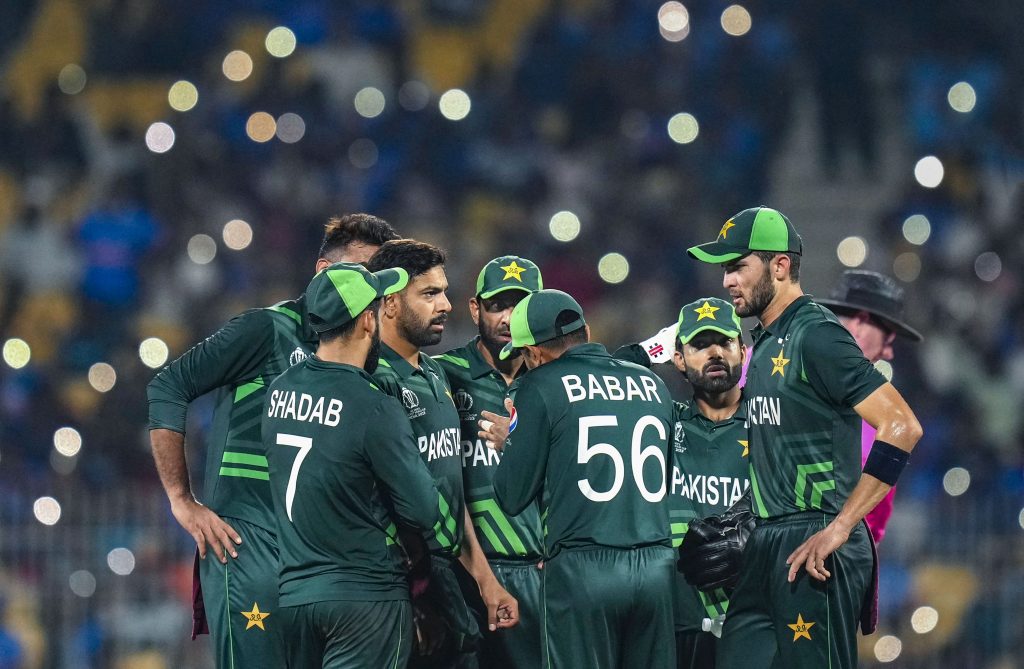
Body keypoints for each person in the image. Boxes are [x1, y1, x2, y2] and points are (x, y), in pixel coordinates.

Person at [146, 214, 399, 668]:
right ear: (324, 271)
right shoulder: (267, 329)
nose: (373, 290)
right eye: (363, 271)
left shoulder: (368, 358)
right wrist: (182, 501)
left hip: (321, 562)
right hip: (249, 546)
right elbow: (168, 387)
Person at [686, 206, 923, 669]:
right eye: (725, 269)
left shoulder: (817, 334)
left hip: (816, 540)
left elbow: (903, 426)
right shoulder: (767, 341)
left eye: (737, 266)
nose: (727, 280)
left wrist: (841, 526)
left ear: (779, 265)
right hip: (767, 539)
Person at [262, 261, 454, 668]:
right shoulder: (373, 405)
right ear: (368, 320)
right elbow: (423, 510)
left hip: (295, 598)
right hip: (365, 597)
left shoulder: (279, 391)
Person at [490, 289, 677, 669]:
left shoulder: (539, 385)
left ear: (533, 353)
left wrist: (514, 443)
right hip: (656, 566)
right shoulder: (652, 384)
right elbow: (666, 478)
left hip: (583, 571)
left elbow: (511, 494)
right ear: (586, 331)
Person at [366, 240, 518, 668]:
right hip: (402, 585)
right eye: (430, 294)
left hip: (448, 575)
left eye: (444, 292)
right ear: (390, 303)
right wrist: (410, 597)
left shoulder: (434, 374)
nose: (446, 305)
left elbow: (452, 493)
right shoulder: (372, 380)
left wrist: (486, 582)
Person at [614, 297, 751, 669]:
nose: (714, 353)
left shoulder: (769, 423)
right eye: (699, 345)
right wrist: (648, 350)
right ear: (677, 359)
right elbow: (609, 383)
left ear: (743, 351)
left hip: (751, 622)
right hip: (675, 626)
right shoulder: (662, 422)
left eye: (724, 342)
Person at [434, 255, 545, 669]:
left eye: (521, 306)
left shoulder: (554, 381)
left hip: (543, 571)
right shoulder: (441, 376)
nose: (508, 318)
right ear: (475, 309)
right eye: (498, 305)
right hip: (464, 572)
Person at [817, 269, 923, 544]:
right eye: (887, 339)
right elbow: (870, 532)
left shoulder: (763, 361)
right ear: (861, 323)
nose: (888, 352)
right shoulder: (882, 422)